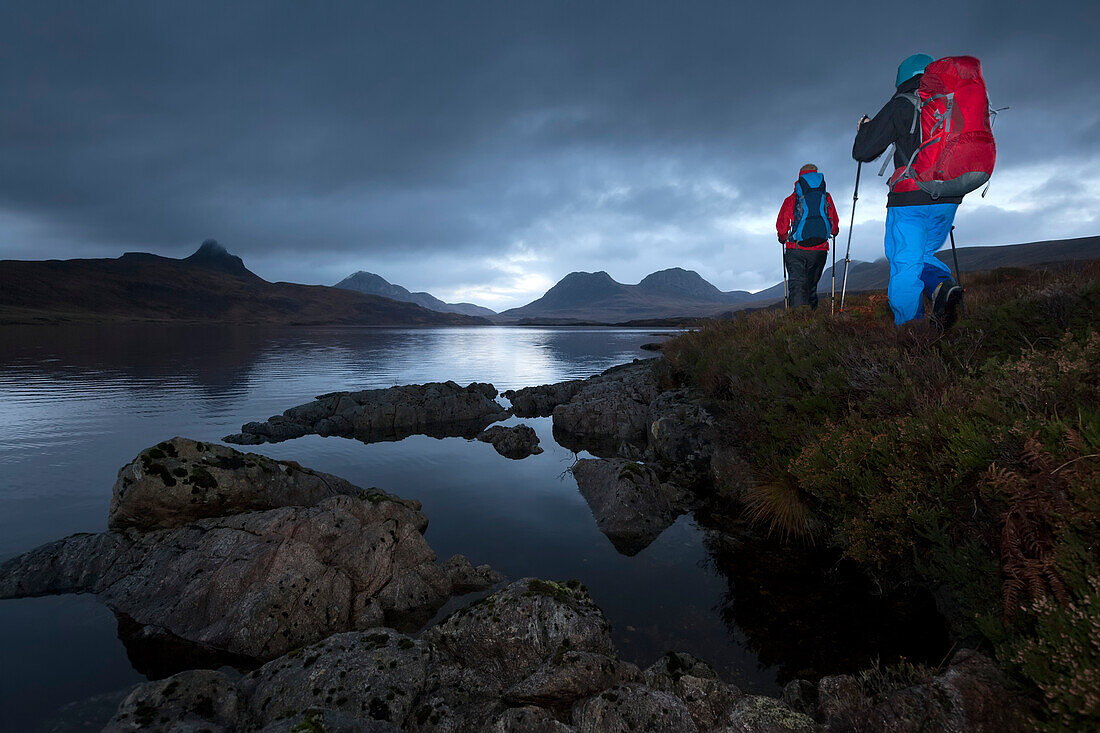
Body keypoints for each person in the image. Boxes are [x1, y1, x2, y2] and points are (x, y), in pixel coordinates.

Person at [852, 53, 964, 329]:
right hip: (948, 198)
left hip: (910, 199)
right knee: (921, 254)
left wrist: (864, 131)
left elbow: (863, 152)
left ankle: (911, 332)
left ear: (902, 78)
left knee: (904, 263)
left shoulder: (900, 104)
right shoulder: (952, 103)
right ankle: (941, 286)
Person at [775, 164, 840, 310]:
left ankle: (799, 322)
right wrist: (834, 232)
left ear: (800, 178)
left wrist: (782, 237)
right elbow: (834, 226)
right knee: (811, 286)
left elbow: (782, 226)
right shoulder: (827, 198)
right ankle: (813, 320)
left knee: (798, 286)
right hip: (820, 250)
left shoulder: (792, 199)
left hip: (796, 249)